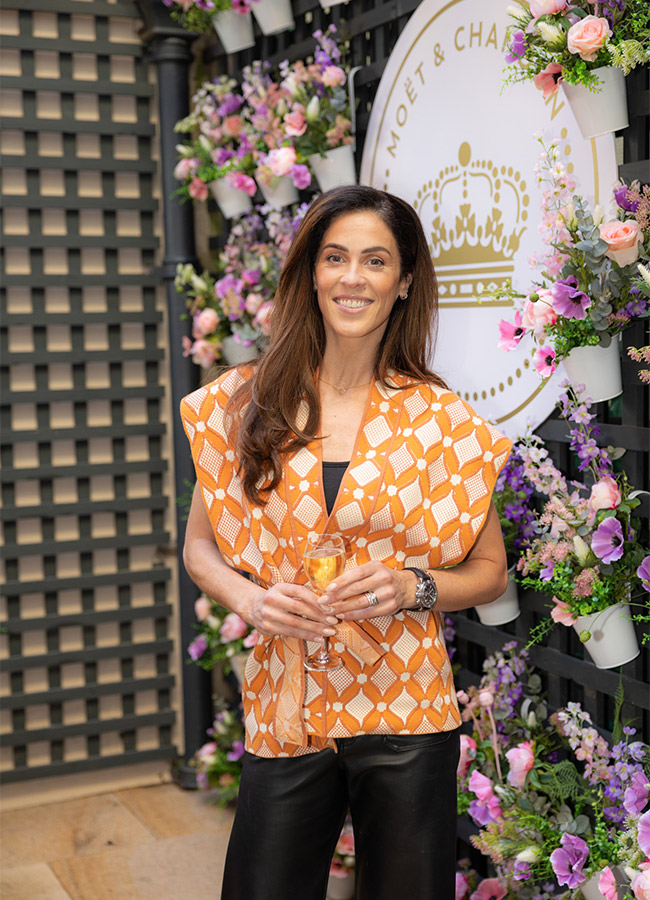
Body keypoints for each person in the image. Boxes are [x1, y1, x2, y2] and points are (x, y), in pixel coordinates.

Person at [180, 185, 512, 900]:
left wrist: (413, 587)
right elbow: (199, 547)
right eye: (335, 258)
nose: (352, 277)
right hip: (286, 701)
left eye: (374, 260)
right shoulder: (246, 402)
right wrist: (252, 599)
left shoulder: (443, 421)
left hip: (406, 706)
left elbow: (489, 573)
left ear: (404, 282)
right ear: (311, 272)